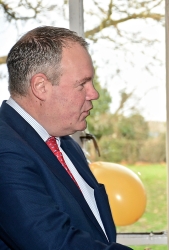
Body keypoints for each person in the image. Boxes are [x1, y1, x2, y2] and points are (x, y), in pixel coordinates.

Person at [0, 26, 132, 250]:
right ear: (41, 87)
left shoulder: (65, 142)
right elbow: (53, 243)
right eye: (82, 84)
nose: (94, 94)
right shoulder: (5, 151)